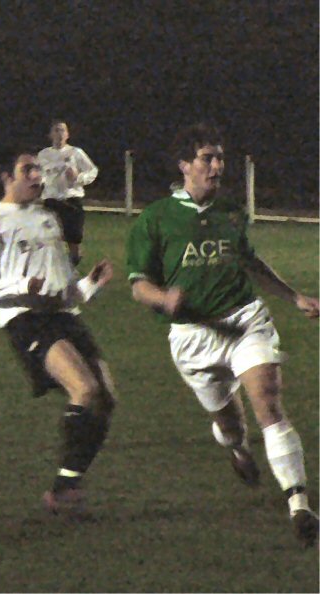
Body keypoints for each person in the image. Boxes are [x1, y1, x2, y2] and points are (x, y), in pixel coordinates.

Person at [126, 122, 319, 547]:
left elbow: (250, 262)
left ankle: (299, 505)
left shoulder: (232, 211)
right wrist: (162, 298)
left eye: (220, 158)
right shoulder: (157, 219)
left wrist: (294, 297)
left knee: (267, 400)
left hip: (243, 318)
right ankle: (236, 448)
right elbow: (138, 284)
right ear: (185, 166)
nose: (216, 166)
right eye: (207, 158)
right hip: (193, 336)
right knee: (230, 423)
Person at [0, 151, 115, 514]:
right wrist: (18, 286)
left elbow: (65, 285)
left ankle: (67, 483)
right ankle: (63, 491)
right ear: (6, 179)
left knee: (106, 398)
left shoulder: (48, 217)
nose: (37, 175)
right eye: (27, 169)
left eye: (37, 169)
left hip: (64, 315)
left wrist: (90, 284)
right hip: (26, 318)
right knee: (85, 388)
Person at [38, 120, 98, 265]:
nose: (60, 134)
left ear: (68, 134)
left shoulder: (75, 152)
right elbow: (39, 176)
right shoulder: (43, 155)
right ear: (50, 134)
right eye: (56, 130)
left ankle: (73, 265)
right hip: (51, 201)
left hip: (71, 200)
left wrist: (79, 178)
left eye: (63, 130)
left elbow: (93, 170)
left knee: (74, 239)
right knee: (50, 240)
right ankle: (52, 270)